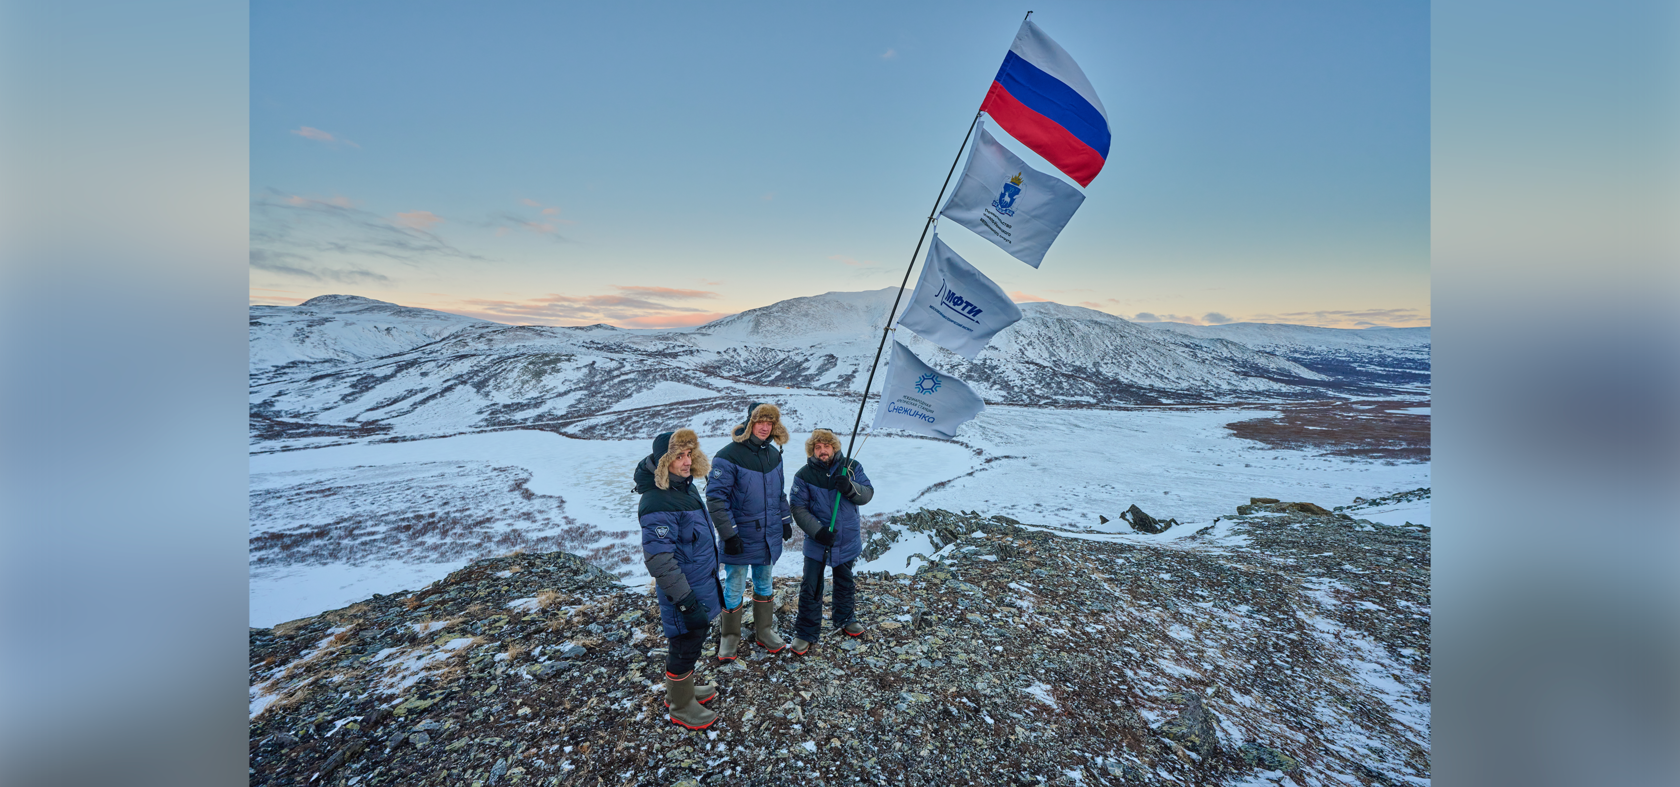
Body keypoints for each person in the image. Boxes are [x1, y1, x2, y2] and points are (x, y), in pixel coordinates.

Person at [636, 429, 723, 730]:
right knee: (685, 644)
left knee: (692, 642)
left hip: (699, 584)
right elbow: (660, 560)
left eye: (689, 455)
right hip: (684, 593)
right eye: (678, 456)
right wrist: (685, 602)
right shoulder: (657, 501)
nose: (686, 462)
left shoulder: (684, 488)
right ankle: (680, 707)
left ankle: (681, 691)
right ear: (664, 462)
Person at [706, 402, 793, 658]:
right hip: (740, 536)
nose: (765, 427)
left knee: (764, 580)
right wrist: (729, 534)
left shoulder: (774, 455)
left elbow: (779, 493)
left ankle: (764, 631)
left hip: (767, 535)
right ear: (749, 423)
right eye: (760, 422)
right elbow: (716, 499)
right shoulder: (728, 456)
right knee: (734, 583)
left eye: (770, 422)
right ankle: (729, 636)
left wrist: (785, 520)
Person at [788, 428, 874, 655]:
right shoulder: (804, 475)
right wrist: (818, 532)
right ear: (812, 450)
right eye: (817, 447)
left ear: (834, 447)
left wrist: (849, 487)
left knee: (845, 581)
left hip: (846, 539)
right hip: (818, 540)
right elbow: (798, 507)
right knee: (812, 585)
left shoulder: (852, 467)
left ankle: (845, 618)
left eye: (826, 446)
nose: (822, 450)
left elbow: (867, 494)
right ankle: (806, 631)